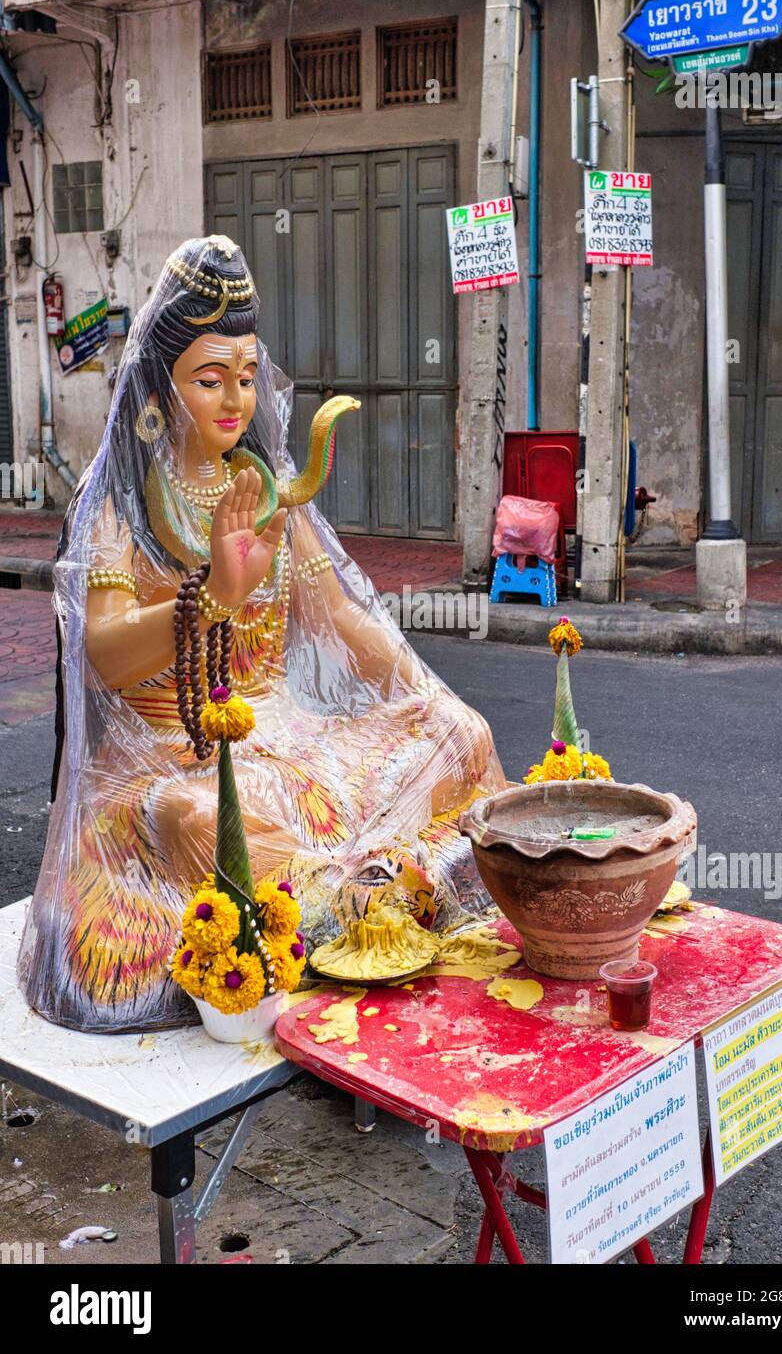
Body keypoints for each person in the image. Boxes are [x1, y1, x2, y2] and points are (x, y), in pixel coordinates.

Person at [18, 235, 504, 1033]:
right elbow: (104, 658)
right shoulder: (119, 509)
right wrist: (210, 595)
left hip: (287, 739)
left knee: (458, 732)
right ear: (157, 389)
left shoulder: (267, 490)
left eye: (246, 378)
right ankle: (350, 901)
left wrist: (417, 691)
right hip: (171, 759)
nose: (234, 399)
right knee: (206, 824)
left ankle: (361, 890)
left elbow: (340, 617)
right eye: (208, 380)